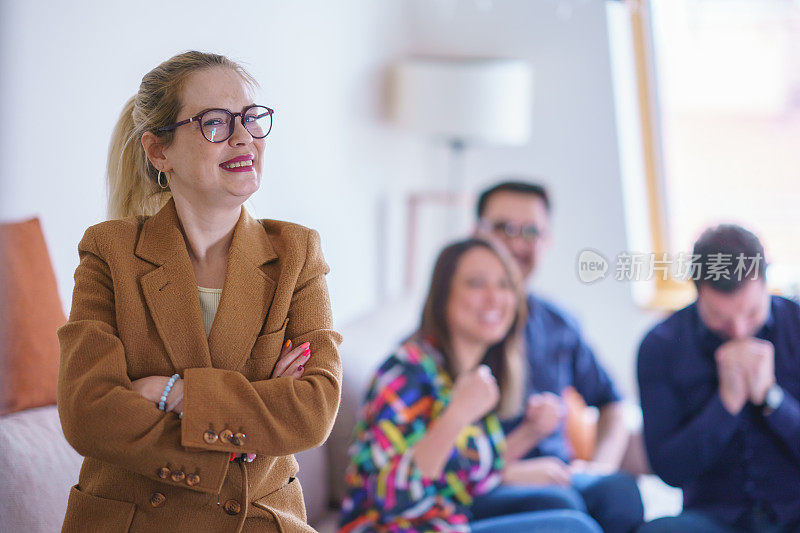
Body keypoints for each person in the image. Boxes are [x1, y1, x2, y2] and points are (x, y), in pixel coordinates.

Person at [57, 51, 342, 532]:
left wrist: (172, 392)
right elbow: (88, 411)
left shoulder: (298, 253)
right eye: (215, 122)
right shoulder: (109, 251)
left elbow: (313, 410)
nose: (243, 137)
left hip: (257, 519)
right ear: (158, 151)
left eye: (251, 119)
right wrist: (245, 428)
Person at [339, 238, 602, 533]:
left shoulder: (471, 376)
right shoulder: (405, 372)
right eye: (477, 284)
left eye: (504, 285)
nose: (494, 298)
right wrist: (457, 414)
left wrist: (530, 432)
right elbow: (393, 501)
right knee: (573, 528)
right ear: (443, 295)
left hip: (448, 519)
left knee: (584, 501)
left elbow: (461, 478)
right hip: (394, 528)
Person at [473, 180, 644, 533]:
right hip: (485, 479)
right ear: (477, 232)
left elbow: (614, 402)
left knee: (621, 493)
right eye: (504, 228)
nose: (517, 243)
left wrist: (599, 466)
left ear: (547, 240)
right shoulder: (458, 327)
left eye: (531, 231)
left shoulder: (557, 324)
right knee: (561, 503)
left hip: (556, 473)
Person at [637, 225, 800, 532]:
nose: (738, 331)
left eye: (751, 313)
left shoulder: (796, 325)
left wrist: (772, 399)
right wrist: (725, 405)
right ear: (697, 291)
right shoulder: (661, 346)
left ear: (766, 282)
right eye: (720, 317)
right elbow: (669, 470)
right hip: (714, 517)